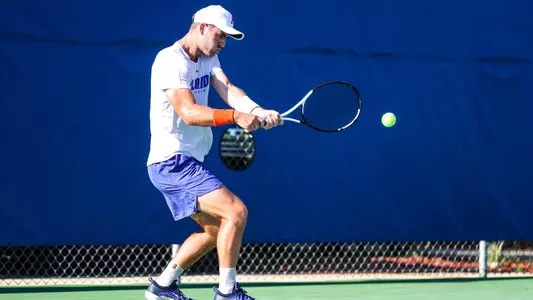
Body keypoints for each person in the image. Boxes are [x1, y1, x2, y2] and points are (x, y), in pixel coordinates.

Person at [144, 4, 283, 300]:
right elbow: (189, 112)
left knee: (216, 229)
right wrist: (234, 117)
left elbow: (228, 89)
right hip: (172, 162)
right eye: (220, 36)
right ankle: (227, 292)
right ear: (202, 27)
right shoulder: (169, 61)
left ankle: (162, 287)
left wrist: (257, 110)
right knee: (236, 212)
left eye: (226, 39)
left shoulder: (209, 57)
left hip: (186, 160)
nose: (222, 43)